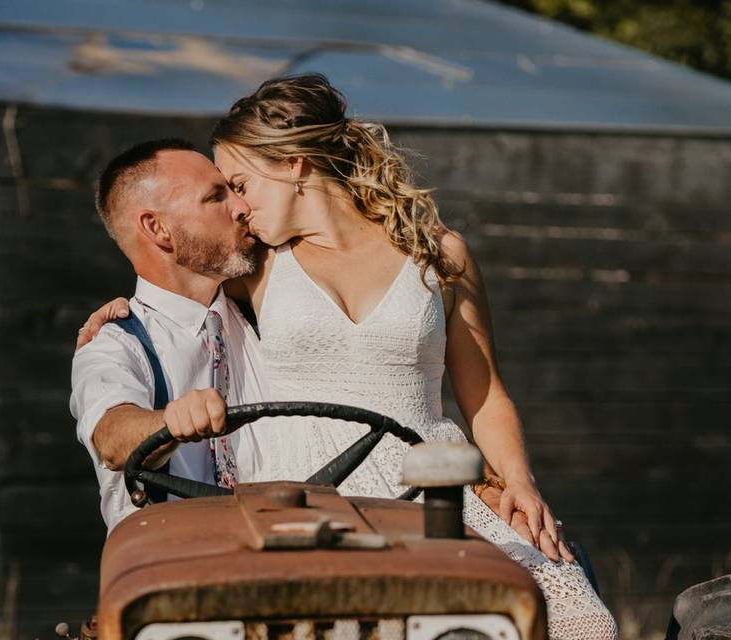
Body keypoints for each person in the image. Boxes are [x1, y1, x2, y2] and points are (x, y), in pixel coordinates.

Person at [78, 75, 618, 639]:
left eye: (239, 183)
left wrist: (521, 483)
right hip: (303, 492)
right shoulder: (256, 266)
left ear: (292, 164)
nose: (236, 206)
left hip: (428, 480)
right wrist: (119, 313)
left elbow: (484, 393)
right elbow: (172, 283)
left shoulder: (439, 253)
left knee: (579, 624)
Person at [70, 138, 268, 534]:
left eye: (235, 190)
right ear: (158, 228)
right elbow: (111, 436)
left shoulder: (263, 310)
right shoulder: (114, 343)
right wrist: (169, 423)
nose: (242, 207)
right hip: (173, 569)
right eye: (215, 197)